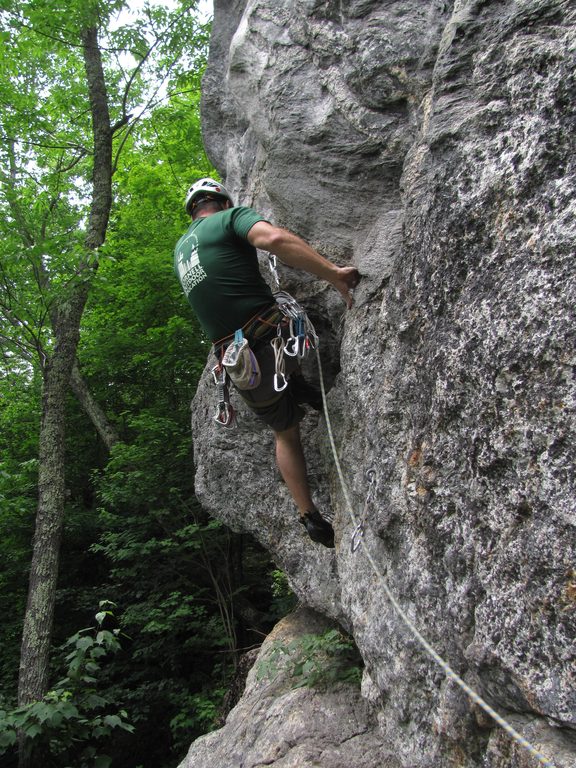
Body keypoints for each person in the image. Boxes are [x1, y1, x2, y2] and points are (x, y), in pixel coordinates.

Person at [174, 178, 359, 548]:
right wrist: (334, 274)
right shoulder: (230, 219)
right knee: (290, 321)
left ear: (194, 210)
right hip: (271, 336)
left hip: (236, 361)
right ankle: (294, 382)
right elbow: (272, 240)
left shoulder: (180, 249)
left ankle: (308, 514)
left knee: (284, 434)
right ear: (223, 203)